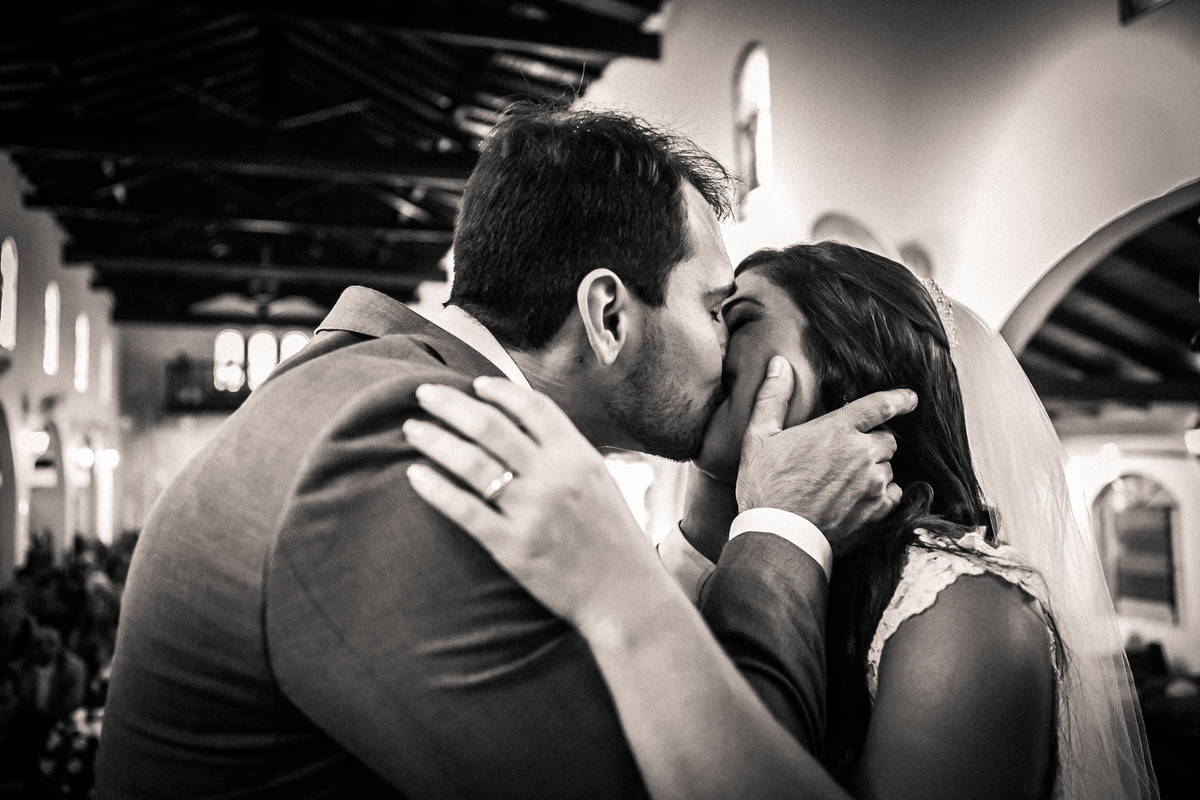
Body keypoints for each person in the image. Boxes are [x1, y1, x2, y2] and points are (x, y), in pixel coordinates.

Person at [95, 107, 914, 799]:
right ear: (608, 316)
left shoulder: (385, 393)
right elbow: (688, 777)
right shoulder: (403, 445)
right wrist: (780, 531)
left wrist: (708, 516)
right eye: (714, 310)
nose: (727, 354)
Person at [407, 242, 1159, 799]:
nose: (704, 345)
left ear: (845, 363)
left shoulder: (967, 606)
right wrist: (723, 504)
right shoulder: (722, 546)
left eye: (732, 318)